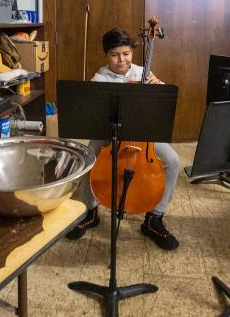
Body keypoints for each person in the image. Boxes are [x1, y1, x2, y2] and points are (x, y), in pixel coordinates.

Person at [66, 27, 180, 251]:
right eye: (114, 55)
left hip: (141, 136)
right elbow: (90, 116)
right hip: (109, 136)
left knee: (173, 161)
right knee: (89, 157)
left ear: (132, 52)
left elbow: (162, 107)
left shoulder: (142, 73)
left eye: (126, 53)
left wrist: (159, 89)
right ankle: (90, 212)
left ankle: (153, 219)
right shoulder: (98, 80)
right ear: (106, 55)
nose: (121, 60)